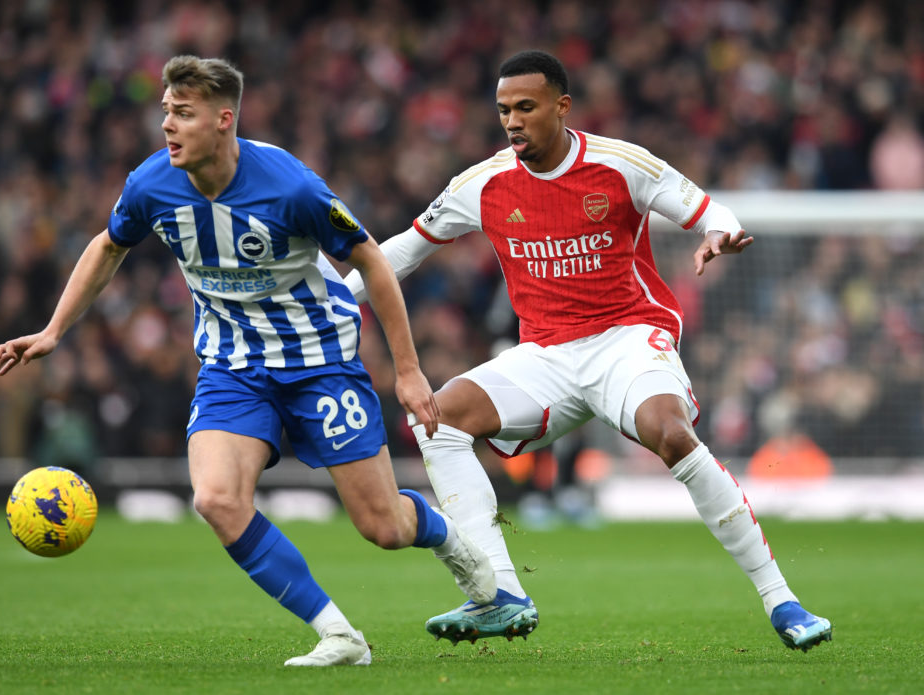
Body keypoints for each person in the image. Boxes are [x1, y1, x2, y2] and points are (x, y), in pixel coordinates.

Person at [0, 55, 496, 667]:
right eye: (166, 113)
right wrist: (53, 330)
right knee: (216, 499)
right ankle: (339, 635)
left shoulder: (292, 186)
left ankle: (450, 540)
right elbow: (108, 245)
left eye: (183, 114)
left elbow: (371, 262)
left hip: (320, 363)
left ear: (223, 120)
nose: (168, 127)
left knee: (383, 527)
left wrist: (409, 369)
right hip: (233, 367)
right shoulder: (151, 184)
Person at [345, 50, 832, 652]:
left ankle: (781, 599)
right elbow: (398, 253)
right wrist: (336, 302)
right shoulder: (483, 184)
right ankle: (498, 593)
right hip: (545, 355)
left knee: (672, 435)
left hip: (626, 337)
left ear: (561, 106)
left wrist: (718, 234)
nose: (513, 121)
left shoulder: (620, 164)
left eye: (526, 107)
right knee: (437, 422)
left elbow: (706, 209)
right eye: (504, 111)